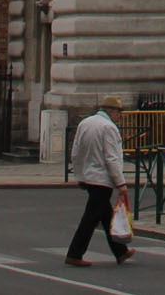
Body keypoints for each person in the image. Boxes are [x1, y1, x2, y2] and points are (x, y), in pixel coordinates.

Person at [66, 97, 131, 266]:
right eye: (118, 113)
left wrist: (79, 176)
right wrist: (121, 183)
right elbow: (112, 158)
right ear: (112, 111)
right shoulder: (109, 128)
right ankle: (74, 254)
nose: (119, 117)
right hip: (102, 179)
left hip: (88, 176)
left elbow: (76, 152)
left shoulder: (85, 123)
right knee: (91, 218)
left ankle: (120, 251)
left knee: (105, 215)